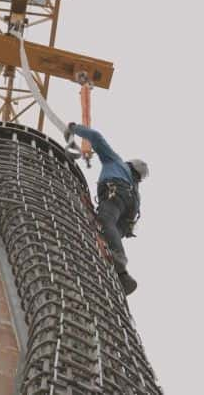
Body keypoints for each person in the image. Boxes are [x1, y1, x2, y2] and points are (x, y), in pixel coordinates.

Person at [65, 123, 149, 295]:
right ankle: (122, 275)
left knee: (105, 221)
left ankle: (119, 257)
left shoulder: (116, 161)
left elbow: (95, 137)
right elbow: (126, 228)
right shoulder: (136, 189)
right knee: (106, 237)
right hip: (129, 214)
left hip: (115, 194)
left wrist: (74, 129)